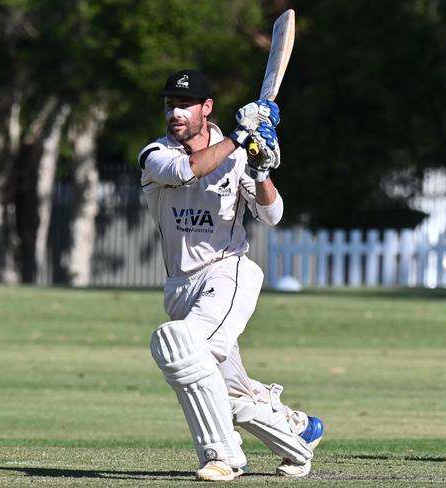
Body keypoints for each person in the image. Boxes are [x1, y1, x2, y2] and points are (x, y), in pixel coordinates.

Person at [138, 69, 323, 481]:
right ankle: (298, 432)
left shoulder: (237, 154)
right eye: (170, 105)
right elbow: (189, 170)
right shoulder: (155, 156)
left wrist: (260, 171)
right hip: (181, 287)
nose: (176, 113)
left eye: (185, 105)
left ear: (207, 108)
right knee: (228, 395)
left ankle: (222, 457)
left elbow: (272, 215)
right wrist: (241, 137)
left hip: (229, 273)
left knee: (178, 347)